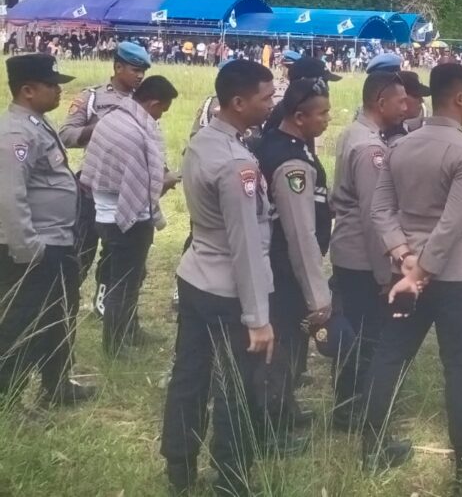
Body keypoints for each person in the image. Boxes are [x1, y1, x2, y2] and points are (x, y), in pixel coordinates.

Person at [364, 64, 462, 491]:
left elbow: (381, 211)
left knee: (389, 359)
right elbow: (451, 225)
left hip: (404, 274)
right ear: (461, 98)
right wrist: (424, 270)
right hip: (455, 280)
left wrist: (406, 260)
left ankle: (371, 449)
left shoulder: (401, 145)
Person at [161, 60, 287, 496]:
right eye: (266, 97)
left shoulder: (204, 141)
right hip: (228, 291)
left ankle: (180, 467)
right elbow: (246, 245)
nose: (272, 104)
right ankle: (231, 479)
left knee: (189, 376)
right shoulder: (237, 163)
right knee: (237, 389)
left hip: (195, 275)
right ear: (238, 102)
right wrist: (258, 316)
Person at [0, 54, 96, 407]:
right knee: (21, 323)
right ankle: (8, 398)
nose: (59, 90)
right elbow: (9, 195)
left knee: (59, 315)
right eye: (52, 84)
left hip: (56, 240)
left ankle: (56, 384)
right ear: (28, 90)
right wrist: (28, 249)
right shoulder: (15, 133)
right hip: (34, 247)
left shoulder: (36, 124)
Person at [252, 78, 334, 436]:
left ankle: (284, 408)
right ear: (299, 116)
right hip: (285, 271)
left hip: (279, 267)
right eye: (323, 113)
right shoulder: (292, 163)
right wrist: (318, 295)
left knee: (287, 345)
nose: (328, 119)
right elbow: (300, 234)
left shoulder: (280, 145)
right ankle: (272, 426)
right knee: (283, 347)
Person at [328, 71, 409, 431]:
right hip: (363, 257)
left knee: (355, 334)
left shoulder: (354, 132)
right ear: (381, 102)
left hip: (349, 250)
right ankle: (354, 409)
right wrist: (383, 273)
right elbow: (374, 215)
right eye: (401, 100)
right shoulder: (371, 149)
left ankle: (349, 406)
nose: (406, 107)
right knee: (367, 338)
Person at [80, 75, 181, 356]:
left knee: (130, 277)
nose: (160, 116)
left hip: (105, 212)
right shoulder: (134, 133)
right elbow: (143, 185)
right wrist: (168, 181)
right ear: (153, 102)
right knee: (123, 284)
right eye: (162, 110)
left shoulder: (113, 119)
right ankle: (115, 345)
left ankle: (130, 330)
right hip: (127, 218)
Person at [59, 40, 152, 311]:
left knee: (118, 255)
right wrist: (98, 128)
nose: (139, 76)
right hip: (92, 187)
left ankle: (105, 305)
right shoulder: (93, 97)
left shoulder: (142, 102)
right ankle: (65, 302)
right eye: (135, 70)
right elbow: (66, 134)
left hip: (127, 192)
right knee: (81, 250)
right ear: (117, 66)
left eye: (143, 71)